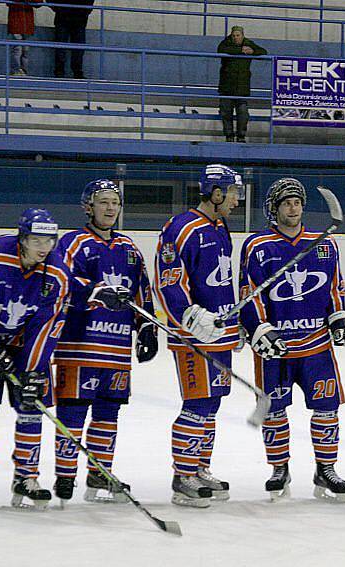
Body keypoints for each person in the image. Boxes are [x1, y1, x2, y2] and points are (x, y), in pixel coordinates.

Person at [239, 178, 345, 503]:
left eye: (297, 202)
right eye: (286, 202)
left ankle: (326, 468)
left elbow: (335, 289)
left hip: (316, 347)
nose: (293, 207)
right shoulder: (257, 246)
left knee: (327, 409)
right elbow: (250, 294)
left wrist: (339, 317)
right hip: (274, 349)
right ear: (274, 209)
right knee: (274, 410)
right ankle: (279, 468)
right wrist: (259, 328)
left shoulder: (324, 243)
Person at [51, 179, 157, 505]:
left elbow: (142, 290)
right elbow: (62, 280)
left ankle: (100, 472)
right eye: (104, 202)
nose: (110, 208)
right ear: (88, 207)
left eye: (115, 202)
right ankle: (65, 475)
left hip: (116, 347)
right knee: (73, 412)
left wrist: (147, 326)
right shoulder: (72, 243)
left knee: (108, 413)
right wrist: (95, 292)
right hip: (80, 345)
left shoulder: (129, 248)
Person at [0, 208, 69, 509]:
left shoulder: (58, 273)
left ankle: (27, 476)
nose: (43, 247)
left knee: (32, 407)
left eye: (49, 240)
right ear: (22, 238)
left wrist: (33, 371)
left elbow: (48, 326)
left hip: (26, 347)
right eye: (36, 240)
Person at [154, 164, 243, 507]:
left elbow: (223, 283)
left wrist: (235, 325)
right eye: (233, 193)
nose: (236, 200)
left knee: (214, 402)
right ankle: (183, 475)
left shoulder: (221, 227)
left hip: (220, 335)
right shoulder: (181, 227)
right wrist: (190, 314)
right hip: (193, 335)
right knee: (197, 402)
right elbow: (167, 280)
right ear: (216, 193)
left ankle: (200, 467)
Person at [217, 25, 267, 143]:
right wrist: (241, 51)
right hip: (226, 86)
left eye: (238, 35)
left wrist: (252, 51)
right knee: (226, 112)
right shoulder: (225, 43)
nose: (235, 38)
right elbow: (221, 50)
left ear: (242, 35)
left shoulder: (249, 43)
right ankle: (229, 136)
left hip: (242, 86)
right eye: (234, 35)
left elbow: (263, 52)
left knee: (243, 113)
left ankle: (241, 136)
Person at [47, 0, 94, 79]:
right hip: (69, 18)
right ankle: (66, 71)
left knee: (76, 49)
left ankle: (68, 72)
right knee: (64, 48)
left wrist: (86, 10)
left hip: (73, 18)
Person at [7, 0, 42, 76]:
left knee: (25, 50)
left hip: (26, 25)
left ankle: (23, 71)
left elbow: (39, 3)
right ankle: (16, 71)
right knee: (17, 49)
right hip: (17, 23)